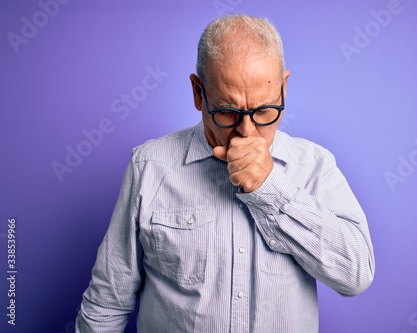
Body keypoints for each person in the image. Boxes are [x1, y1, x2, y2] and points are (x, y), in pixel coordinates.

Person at [76, 14, 375, 333]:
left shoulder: (314, 166)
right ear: (197, 93)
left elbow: (355, 276)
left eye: (264, 111)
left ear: (284, 89)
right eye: (227, 112)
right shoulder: (149, 166)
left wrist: (270, 188)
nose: (247, 133)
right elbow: (107, 303)